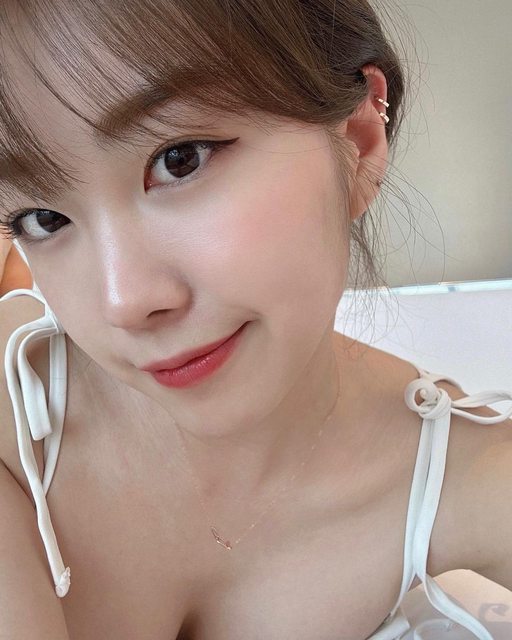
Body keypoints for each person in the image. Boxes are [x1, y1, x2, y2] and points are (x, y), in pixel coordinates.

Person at [0, 1, 510, 639]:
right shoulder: (16, 415)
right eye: (43, 219)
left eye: (180, 159)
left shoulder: (478, 480)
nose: (122, 302)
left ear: (358, 138)